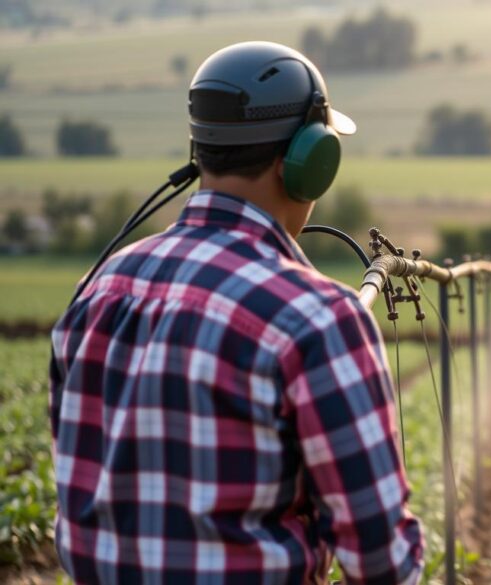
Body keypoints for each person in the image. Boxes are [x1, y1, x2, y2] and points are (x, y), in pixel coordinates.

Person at [49, 41, 423, 584]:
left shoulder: (98, 289)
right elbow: (382, 563)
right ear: (311, 160)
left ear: (200, 149)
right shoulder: (320, 318)